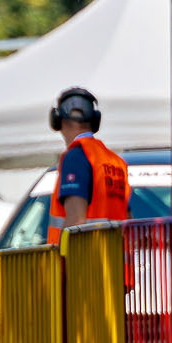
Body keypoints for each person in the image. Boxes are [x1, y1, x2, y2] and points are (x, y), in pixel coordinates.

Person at [45, 86, 129, 244]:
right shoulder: (115, 162)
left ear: (57, 119)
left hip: (84, 257)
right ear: (95, 120)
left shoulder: (76, 156)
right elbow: (127, 216)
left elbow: (75, 221)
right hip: (113, 256)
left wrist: (60, 257)